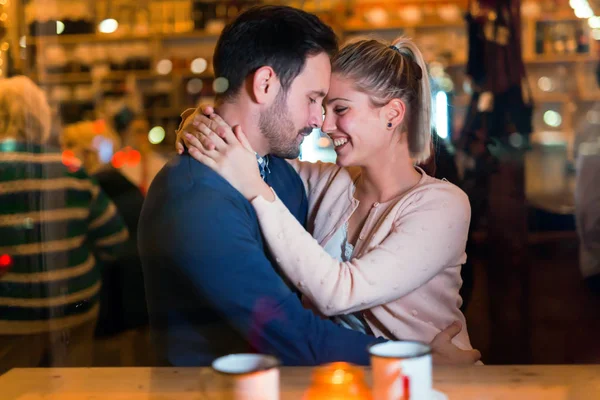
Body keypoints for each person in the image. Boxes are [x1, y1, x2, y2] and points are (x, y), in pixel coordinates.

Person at [140, 5, 480, 367]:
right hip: (308, 381)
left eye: (338, 107)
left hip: (430, 378)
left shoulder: (439, 204)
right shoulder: (300, 182)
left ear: (393, 115)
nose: (321, 121)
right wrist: (204, 124)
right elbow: (294, 336)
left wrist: (422, 362)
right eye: (315, 99)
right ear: (266, 84)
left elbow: (334, 296)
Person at [0, 76, 129, 373]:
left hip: (7, 318)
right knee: (69, 387)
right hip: (73, 308)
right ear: (41, 117)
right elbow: (115, 240)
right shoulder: (70, 169)